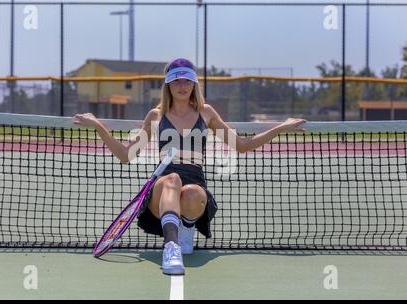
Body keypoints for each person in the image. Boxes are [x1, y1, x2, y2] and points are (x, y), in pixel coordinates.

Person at [73, 58, 306, 275]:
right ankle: (171, 247)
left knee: (193, 192)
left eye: (187, 80)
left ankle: (186, 226)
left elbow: (242, 145)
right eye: (176, 80)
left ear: (194, 84)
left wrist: (279, 128)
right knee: (173, 179)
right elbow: (126, 155)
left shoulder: (206, 113)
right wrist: (98, 126)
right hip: (162, 190)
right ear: (168, 85)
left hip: (194, 184)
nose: (182, 86)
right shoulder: (156, 116)